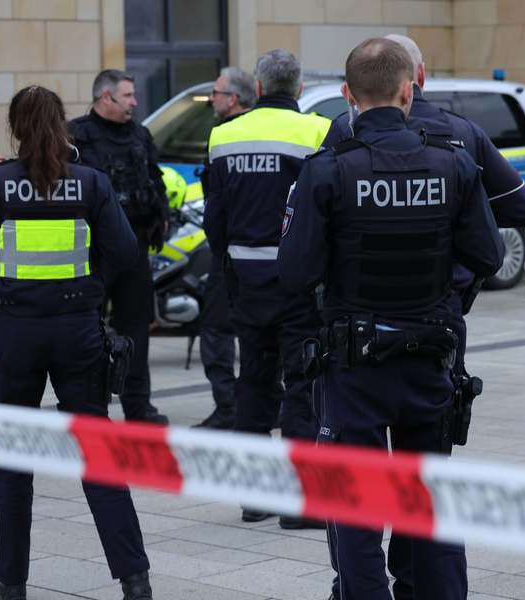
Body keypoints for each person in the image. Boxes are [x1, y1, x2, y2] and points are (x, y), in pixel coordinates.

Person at [278, 38, 505, 600]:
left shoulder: (327, 171)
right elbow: (489, 257)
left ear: (348, 96)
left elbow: (295, 273)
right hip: (430, 355)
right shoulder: (453, 163)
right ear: (411, 89)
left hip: (353, 364)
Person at [0, 87, 152, 600]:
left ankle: (12, 584)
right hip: (79, 330)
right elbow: (126, 254)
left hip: (15, 331)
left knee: (14, 459)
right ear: (64, 127)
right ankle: (134, 579)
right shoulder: (90, 182)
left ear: (15, 129)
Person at [323, 33, 525, 379]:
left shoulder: (342, 133)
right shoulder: (464, 135)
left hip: (358, 316)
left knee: (358, 427)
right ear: (418, 77)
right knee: (430, 423)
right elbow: (524, 210)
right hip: (440, 311)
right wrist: (459, 217)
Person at [203, 51, 330, 527]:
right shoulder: (318, 132)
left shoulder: (223, 135)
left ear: (257, 88)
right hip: (300, 286)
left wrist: (230, 261)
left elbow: (216, 217)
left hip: (246, 282)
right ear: (298, 89)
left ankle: (254, 497)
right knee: (302, 385)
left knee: (253, 382)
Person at [69, 69, 170, 425]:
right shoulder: (75, 135)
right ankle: (91, 409)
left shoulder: (140, 135)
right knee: (86, 330)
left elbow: (155, 180)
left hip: (135, 247)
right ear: (105, 98)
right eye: (127, 96)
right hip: (91, 251)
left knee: (136, 330)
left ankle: (138, 408)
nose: (135, 102)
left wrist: (162, 214)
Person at [193, 67, 257, 430]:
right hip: (272, 255)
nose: (211, 100)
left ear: (233, 98)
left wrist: (218, 249)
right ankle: (262, 401)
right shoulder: (272, 131)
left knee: (216, 329)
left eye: (215, 93)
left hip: (231, 251)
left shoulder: (223, 136)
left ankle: (229, 406)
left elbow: (215, 203)